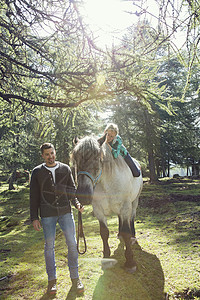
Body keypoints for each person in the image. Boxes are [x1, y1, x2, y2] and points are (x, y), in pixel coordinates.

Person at [30, 142, 84, 295]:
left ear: (55, 152)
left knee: (72, 244)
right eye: (47, 154)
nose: (50, 157)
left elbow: (71, 190)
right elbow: (33, 196)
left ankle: (75, 278)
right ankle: (52, 282)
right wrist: (34, 217)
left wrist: (77, 203)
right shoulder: (37, 172)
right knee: (49, 248)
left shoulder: (65, 168)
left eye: (52, 153)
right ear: (42, 156)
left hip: (66, 212)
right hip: (47, 215)